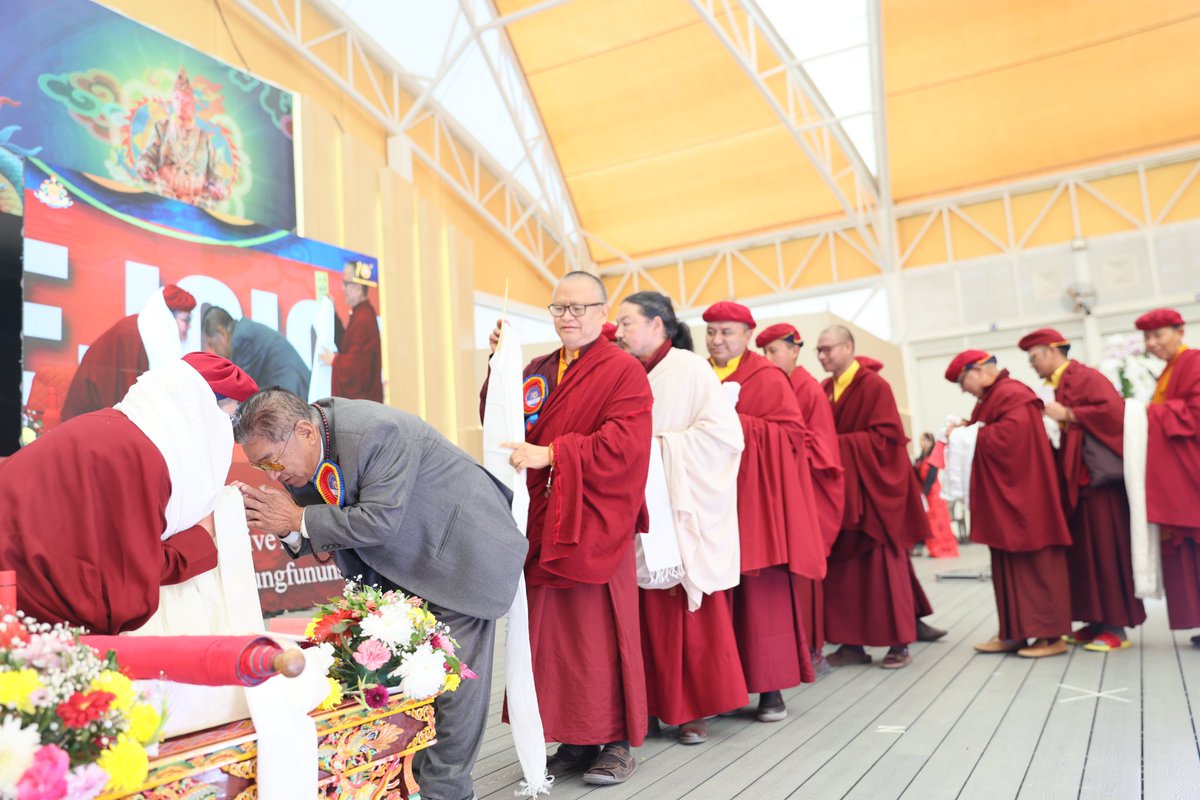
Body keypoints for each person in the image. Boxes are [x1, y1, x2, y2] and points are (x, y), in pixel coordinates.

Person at [232, 388, 528, 800]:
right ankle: (406, 783)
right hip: (403, 564)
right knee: (403, 679)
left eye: (272, 462)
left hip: (462, 555)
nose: (271, 476)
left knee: (454, 687)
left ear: (304, 431)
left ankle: (447, 793)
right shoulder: (306, 454)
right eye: (258, 465)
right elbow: (322, 533)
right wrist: (288, 526)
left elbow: (379, 521)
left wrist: (298, 517)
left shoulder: (375, 433)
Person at [481, 271, 652, 785]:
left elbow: (625, 444)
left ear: (604, 315)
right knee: (549, 637)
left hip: (595, 519)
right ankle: (575, 739)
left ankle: (618, 742)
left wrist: (555, 453)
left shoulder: (623, 371)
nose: (569, 317)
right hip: (542, 519)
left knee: (600, 630)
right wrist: (499, 366)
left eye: (580, 308)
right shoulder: (537, 369)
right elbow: (503, 418)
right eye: (560, 308)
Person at [0, 352, 256, 634]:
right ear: (201, 414)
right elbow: (127, 580)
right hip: (20, 593)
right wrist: (204, 535)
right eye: (228, 420)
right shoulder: (144, 461)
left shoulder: (121, 428)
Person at [615, 291, 747, 745]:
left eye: (627, 322)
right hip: (637, 508)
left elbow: (724, 436)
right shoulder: (624, 370)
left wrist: (658, 450)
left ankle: (692, 710)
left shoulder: (690, 369)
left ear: (658, 325)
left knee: (682, 610)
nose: (618, 331)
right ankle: (648, 705)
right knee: (641, 613)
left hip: (678, 505)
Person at [704, 302, 824, 720]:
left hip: (754, 502)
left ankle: (771, 690)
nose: (718, 340)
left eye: (727, 332)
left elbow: (792, 435)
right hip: (709, 504)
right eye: (712, 332)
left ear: (747, 335)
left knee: (762, 598)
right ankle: (723, 688)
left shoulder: (766, 376)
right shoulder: (698, 374)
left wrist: (738, 424)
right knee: (716, 598)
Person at [1019, 328, 1144, 651]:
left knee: (1107, 551)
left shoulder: (1084, 376)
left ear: (1052, 351)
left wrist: (1071, 414)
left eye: (1034, 357)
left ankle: (1116, 628)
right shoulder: (1061, 384)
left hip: (1100, 485)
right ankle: (1095, 621)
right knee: (1088, 554)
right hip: (1081, 484)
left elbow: (1115, 416)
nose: (1032, 364)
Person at [816, 326, 931, 669]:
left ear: (848, 347)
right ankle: (852, 645)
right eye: (818, 351)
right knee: (844, 575)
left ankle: (899, 644)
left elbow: (886, 440)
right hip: (842, 495)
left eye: (828, 349)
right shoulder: (824, 390)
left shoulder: (874, 386)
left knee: (884, 574)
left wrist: (835, 445)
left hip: (873, 495)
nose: (822, 356)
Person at [946, 350, 1072, 658]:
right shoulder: (993, 398)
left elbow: (1014, 437)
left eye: (963, 382)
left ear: (977, 370)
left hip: (1028, 499)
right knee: (1006, 566)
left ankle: (1049, 637)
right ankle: (1014, 633)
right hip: (1006, 499)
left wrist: (966, 435)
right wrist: (969, 429)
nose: (964, 390)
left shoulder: (1012, 394)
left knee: (1035, 564)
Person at [756, 322, 845, 671]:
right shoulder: (774, 382)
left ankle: (810, 647)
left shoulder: (806, 388)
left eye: (775, 350)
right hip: (780, 485)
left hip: (805, 487)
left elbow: (820, 446)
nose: (769, 358)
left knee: (802, 569)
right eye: (764, 352)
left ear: (794, 350)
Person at [1134, 309, 1200, 642]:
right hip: (1180, 473)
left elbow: (1195, 412)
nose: (1152, 343)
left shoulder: (1194, 361)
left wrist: (1149, 412)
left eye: (1158, 335)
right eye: (1147, 337)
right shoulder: (1170, 370)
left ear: (1180, 331)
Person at [61, 285, 196, 421]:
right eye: (186, 320)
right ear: (167, 318)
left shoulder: (151, 337)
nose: (189, 327)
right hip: (88, 422)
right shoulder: (132, 336)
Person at [136, 68, 228, 207]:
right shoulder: (162, 128)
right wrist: (145, 167)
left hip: (195, 200)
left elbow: (215, 172)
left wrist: (216, 186)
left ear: (193, 104)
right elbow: (149, 155)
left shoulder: (204, 137)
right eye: (177, 99)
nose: (180, 103)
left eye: (184, 99)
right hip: (164, 191)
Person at [202, 306, 310, 398]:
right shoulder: (243, 332)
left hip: (293, 387)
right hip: (290, 389)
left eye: (212, 344)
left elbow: (241, 390)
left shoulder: (241, 339)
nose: (214, 351)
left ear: (222, 333)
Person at [319, 264, 383, 402]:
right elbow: (346, 346)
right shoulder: (361, 314)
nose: (343, 288)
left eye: (346, 283)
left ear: (358, 289)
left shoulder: (364, 319)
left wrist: (335, 361)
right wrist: (334, 314)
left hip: (365, 406)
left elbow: (357, 368)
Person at [914, 432, 959, 559]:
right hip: (924, 492)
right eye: (921, 440)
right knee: (929, 521)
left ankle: (943, 548)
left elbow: (932, 475)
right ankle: (933, 547)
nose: (923, 443)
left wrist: (925, 491)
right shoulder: (920, 458)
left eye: (925, 440)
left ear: (930, 442)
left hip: (933, 492)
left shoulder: (934, 456)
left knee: (937, 521)